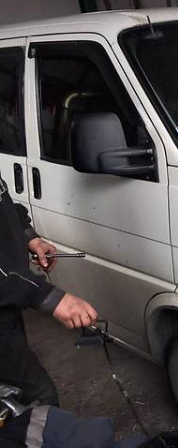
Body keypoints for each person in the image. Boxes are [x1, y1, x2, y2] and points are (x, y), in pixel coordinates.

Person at [0, 172, 98, 407]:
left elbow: (4, 205)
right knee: (39, 399)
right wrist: (47, 296)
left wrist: (29, 237)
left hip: (7, 300)